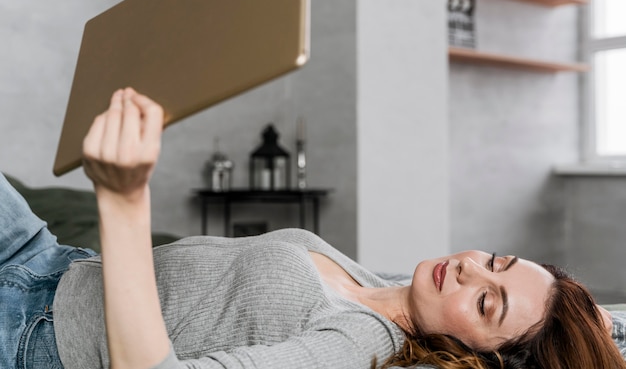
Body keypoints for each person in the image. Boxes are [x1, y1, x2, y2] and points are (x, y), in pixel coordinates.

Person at [1, 87, 625, 369]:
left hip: (28, 335)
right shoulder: (382, 285)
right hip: (49, 259)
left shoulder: (358, 346)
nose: (470, 270)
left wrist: (124, 198)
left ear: (475, 359)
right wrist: (598, 323)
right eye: (495, 260)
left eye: (487, 301)